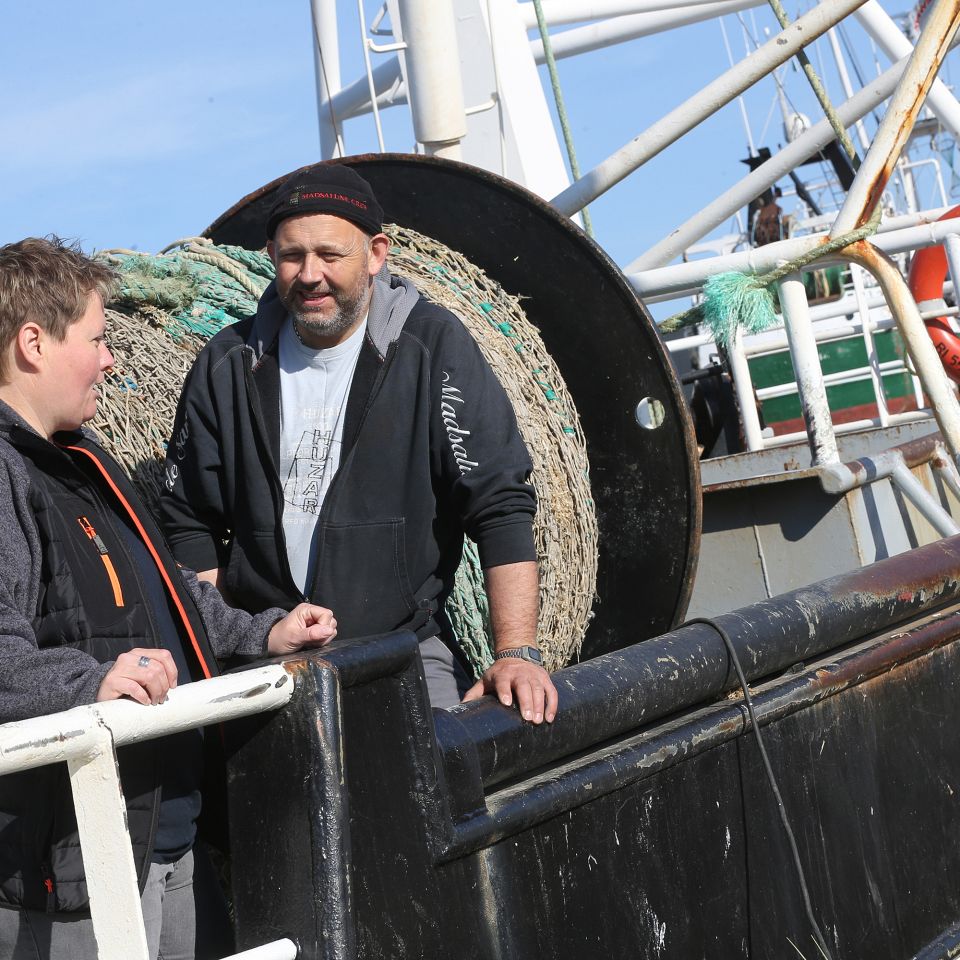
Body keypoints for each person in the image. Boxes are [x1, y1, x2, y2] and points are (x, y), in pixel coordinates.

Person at [0, 236, 338, 960]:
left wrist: (262, 634)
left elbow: (163, 586)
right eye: (96, 339)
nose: (111, 359)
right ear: (33, 342)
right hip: (69, 871)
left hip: (161, 836)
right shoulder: (5, 475)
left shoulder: (82, 461)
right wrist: (90, 686)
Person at [161, 163, 558, 723]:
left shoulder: (430, 346)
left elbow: (498, 502)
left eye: (330, 254)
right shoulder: (228, 364)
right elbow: (189, 522)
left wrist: (516, 653)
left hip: (404, 655)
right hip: (265, 669)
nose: (309, 274)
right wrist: (234, 641)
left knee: (440, 797)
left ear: (375, 254)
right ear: (271, 254)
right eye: (292, 255)